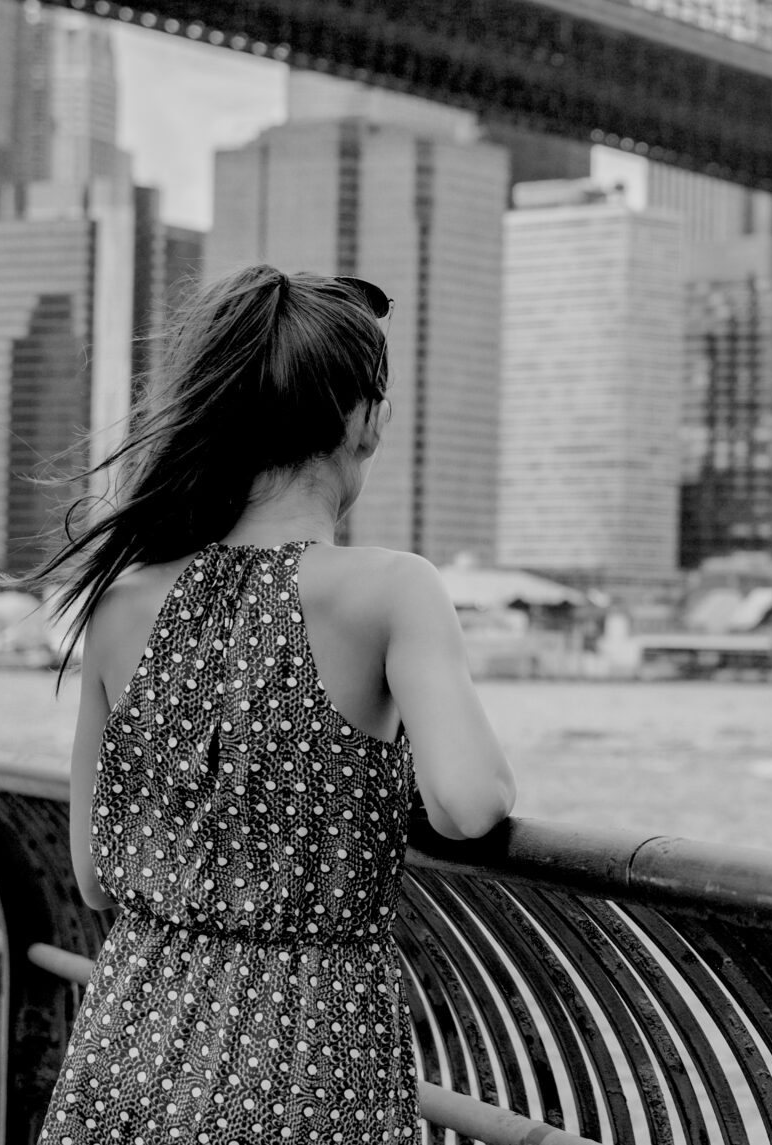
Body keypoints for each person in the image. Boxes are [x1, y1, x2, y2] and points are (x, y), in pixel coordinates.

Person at [31, 264, 515, 1144]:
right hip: (308, 1056)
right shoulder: (390, 589)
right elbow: (472, 801)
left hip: (131, 1035)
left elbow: (97, 874)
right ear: (363, 419)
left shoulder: (121, 600)